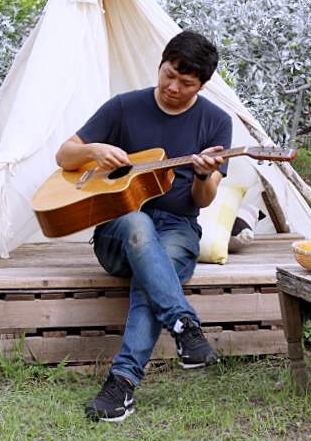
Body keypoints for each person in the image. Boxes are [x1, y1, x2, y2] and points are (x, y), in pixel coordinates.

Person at [54, 30, 233, 423]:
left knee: (154, 270)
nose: (173, 87)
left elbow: (204, 200)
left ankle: (121, 386)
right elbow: (64, 155)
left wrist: (204, 176)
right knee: (138, 224)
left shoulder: (216, 122)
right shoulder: (123, 107)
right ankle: (185, 324)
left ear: (203, 85)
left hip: (178, 229)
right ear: (161, 64)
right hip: (119, 230)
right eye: (169, 74)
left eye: (186, 84)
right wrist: (92, 150)